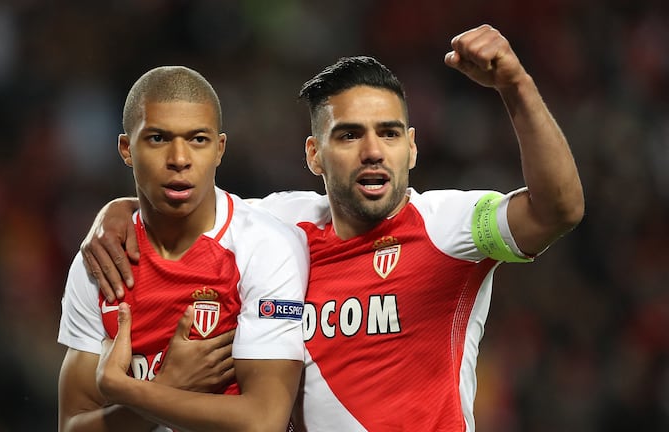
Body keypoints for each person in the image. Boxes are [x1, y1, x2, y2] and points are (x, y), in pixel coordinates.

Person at [81, 25, 585, 431]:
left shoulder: (448, 228)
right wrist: (119, 210)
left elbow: (558, 211)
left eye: (389, 133)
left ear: (411, 147)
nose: (373, 151)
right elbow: (185, 209)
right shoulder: (279, 228)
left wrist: (516, 87)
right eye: (348, 135)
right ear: (314, 155)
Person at [57, 66, 309, 432]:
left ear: (219, 149)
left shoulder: (263, 247)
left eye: (198, 139)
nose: (179, 158)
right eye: (158, 138)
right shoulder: (102, 261)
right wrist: (167, 385)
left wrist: (127, 390)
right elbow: (72, 426)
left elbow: (263, 422)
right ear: (127, 149)